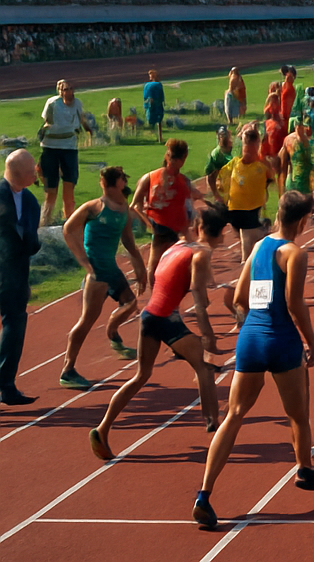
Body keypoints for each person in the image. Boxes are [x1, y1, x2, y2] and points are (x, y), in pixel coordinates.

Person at [195, 191, 314, 530]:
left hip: (251, 339)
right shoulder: (294, 253)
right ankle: (305, 469)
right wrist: (312, 343)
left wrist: (254, 320)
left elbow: (238, 297)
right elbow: (295, 304)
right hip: (282, 341)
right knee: (298, 414)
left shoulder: (258, 247)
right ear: (301, 221)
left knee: (233, 416)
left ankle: (204, 494)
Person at [90, 205, 228, 459]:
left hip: (149, 315)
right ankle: (215, 427)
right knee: (204, 366)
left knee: (141, 375)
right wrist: (207, 333)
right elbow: (198, 297)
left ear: (198, 227)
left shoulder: (176, 247)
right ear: (221, 234)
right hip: (166, 317)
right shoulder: (201, 254)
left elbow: (161, 278)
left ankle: (102, 427)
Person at [59, 167, 148, 389]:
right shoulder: (94, 207)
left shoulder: (124, 209)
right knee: (87, 320)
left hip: (111, 269)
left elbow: (128, 242)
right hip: (97, 272)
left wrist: (141, 271)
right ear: (113, 183)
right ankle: (68, 370)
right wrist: (85, 262)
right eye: (122, 179)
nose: (126, 181)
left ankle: (112, 333)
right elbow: (68, 229)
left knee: (130, 303)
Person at [134, 139, 207, 291]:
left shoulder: (184, 181)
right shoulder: (149, 178)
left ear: (184, 158)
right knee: (154, 267)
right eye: (172, 159)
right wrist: (147, 223)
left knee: (182, 266)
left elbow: (192, 202)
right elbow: (135, 205)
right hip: (159, 229)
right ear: (167, 157)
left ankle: (178, 295)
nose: (175, 164)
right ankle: (156, 296)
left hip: (179, 231)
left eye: (179, 160)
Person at [1, 150, 43, 405]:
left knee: (15, 329)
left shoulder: (30, 201)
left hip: (16, 275)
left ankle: (6, 385)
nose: (36, 172)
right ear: (17, 172)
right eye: (31, 170)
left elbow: (30, 239)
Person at [216, 127, 275, 266]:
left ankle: (249, 261)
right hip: (241, 210)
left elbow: (271, 178)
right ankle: (249, 267)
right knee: (254, 242)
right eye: (245, 147)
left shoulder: (257, 165)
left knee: (250, 240)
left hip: (247, 210)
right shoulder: (238, 164)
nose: (247, 152)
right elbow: (220, 181)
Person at [39, 79, 86, 223]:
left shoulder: (77, 103)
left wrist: (87, 128)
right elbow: (47, 121)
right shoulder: (52, 103)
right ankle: (46, 220)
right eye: (65, 90)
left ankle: (69, 219)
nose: (69, 92)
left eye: (71, 89)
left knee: (69, 184)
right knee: (51, 188)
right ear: (59, 91)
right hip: (51, 147)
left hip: (69, 147)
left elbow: (81, 119)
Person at [143, 69, 166, 144]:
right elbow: (161, 96)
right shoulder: (159, 85)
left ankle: (154, 136)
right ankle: (160, 138)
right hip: (157, 105)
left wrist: (146, 106)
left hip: (149, 105)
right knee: (159, 122)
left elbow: (145, 97)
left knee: (151, 121)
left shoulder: (146, 85)